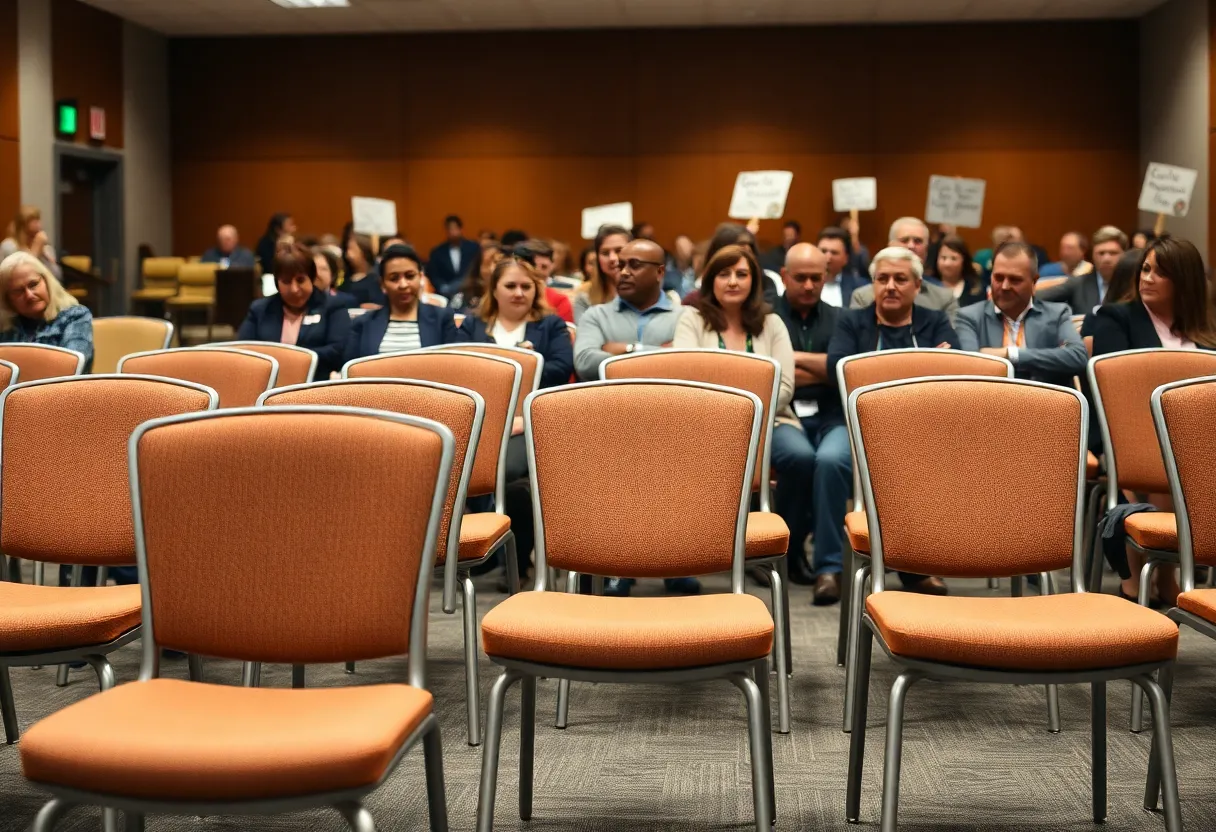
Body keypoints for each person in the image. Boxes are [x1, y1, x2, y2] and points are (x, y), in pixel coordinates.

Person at [827, 246, 959, 595]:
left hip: (921, 427)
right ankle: (829, 568)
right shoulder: (852, 320)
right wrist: (923, 366)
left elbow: (955, 371)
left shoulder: (935, 320)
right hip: (855, 423)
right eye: (882, 279)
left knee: (925, 463)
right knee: (828, 460)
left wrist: (873, 372)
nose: (890, 286)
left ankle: (917, 567)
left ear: (917, 285)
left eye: (900, 279)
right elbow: (839, 371)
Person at [1093, 236, 1216, 607]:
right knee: (1164, 452)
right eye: (1145, 269)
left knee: (1182, 449)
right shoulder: (1116, 317)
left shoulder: (1206, 330)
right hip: (1125, 433)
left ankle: (1161, 572)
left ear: (1183, 280)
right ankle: (1149, 574)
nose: (1146, 278)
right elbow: (1115, 395)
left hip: (1194, 441)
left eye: (1159, 273)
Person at [774, 243, 849, 602]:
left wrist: (790, 361)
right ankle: (787, 552)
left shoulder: (842, 318)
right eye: (800, 277)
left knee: (830, 461)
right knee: (800, 457)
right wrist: (821, 365)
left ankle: (827, 568)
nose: (808, 285)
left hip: (831, 413)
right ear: (784, 276)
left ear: (826, 277)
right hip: (783, 412)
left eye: (816, 278)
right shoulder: (766, 317)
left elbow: (843, 370)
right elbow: (769, 373)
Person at [954, 241, 1086, 388]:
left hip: (1045, 399)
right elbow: (971, 366)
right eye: (998, 278)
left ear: (1034, 282)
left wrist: (1011, 354)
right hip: (991, 398)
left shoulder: (1057, 314)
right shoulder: (969, 317)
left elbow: (1077, 357)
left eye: (1015, 280)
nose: (1005, 286)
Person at [237, 245, 351, 380]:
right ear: (277, 283)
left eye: (300, 280)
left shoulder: (333, 306)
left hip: (316, 383)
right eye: (286, 282)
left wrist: (291, 359)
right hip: (267, 382)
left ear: (312, 278)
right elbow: (242, 351)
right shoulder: (260, 309)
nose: (294, 289)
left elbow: (338, 351)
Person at [573, 238, 683, 378]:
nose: (624, 272)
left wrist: (628, 349)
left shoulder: (684, 317)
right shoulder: (596, 316)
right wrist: (661, 354)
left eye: (635, 265)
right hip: (612, 392)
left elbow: (688, 365)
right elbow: (585, 364)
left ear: (659, 272)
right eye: (620, 266)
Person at [343, 244, 461, 362]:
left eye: (410, 276)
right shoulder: (363, 323)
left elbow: (451, 365)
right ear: (382, 284)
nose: (403, 285)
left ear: (421, 277)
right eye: (394, 278)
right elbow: (350, 368)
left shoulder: (442, 319)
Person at [848, 217, 959, 319]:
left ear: (926, 249)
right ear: (890, 246)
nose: (911, 246)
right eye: (904, 240)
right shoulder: (863, 297)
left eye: (918, 241)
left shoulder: (944, 299)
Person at [0, 251, 93, 370]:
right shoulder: (6, 328)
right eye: (18, 291)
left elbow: (73, 366)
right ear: (7, 299)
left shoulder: (75, 316)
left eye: (33, 284)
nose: (29, 295)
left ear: (47, 281)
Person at [1038, 226, 1126, 314]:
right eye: (1101, 253)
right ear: (1093, 256)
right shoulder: (1078, 284)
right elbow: (1036, 298)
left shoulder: (1132, 285)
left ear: (1125, 255)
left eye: (1113, 253)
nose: (1106, 259)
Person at [573, 225, 630, 323]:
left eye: (618, 251)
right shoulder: (584, 299)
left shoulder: (649, 294)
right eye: (605, 253)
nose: (612, 258)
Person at [514, 239, 574, 323]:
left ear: (552, 266)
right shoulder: (508, 295)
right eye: (532, 266)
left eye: (544, 267)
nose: (538, 272)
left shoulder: (560, 301)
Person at [426, 215, 481, 298]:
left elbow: (477, 270)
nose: (453, 232)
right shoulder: (437, 252)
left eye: (455, 228)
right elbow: (434, 275)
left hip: (469, 291)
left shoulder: (473, 248)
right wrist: (443, 287)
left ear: (461, 229)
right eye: (450, 229)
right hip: (446, 293)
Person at [0, 206, 61, 279]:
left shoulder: (46, 247)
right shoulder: (9, 246)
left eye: (38, 220)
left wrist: (45, 256)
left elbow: (57, 276)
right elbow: (21, 277)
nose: (38, 225)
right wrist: (35, 251)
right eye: (33, 221)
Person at [816, 226, 868, 308]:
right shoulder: (803, 284)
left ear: (846, 258)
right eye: (823, 251)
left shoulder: (860, 287)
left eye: (834, 253)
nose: (828, 258)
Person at [933, 235, 987, 306]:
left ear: (964, 261)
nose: (947, 264)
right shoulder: (927, 287)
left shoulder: (976, 289)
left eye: (954, 258)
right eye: (943, 258)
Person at [452, 243, 501, 312]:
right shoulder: (464, 293)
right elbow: (452, 314)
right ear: (478, 268)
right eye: (487, 264)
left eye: (497, 263)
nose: (492, 269)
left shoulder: (511, 294)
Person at [343, 233, 384, 307]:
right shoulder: (344, 278)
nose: (347, 254)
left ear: (363, 252)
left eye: (351, 249)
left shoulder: (375, 280)